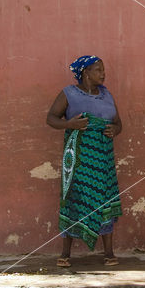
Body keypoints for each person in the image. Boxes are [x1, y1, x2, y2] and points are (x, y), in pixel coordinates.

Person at [46, 55, 123, 267]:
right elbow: (51, 118)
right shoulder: (69, 94)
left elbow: (118, 123)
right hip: (78, 159)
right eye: (98, 70)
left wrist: (114, 130)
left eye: (103, 70)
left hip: (103, 159)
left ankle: (108, 253)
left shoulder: (106, 95)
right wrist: (69, 124)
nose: (103, 74)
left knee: (104, 200)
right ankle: (65, 253)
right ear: (86, 73)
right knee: (74, 199)